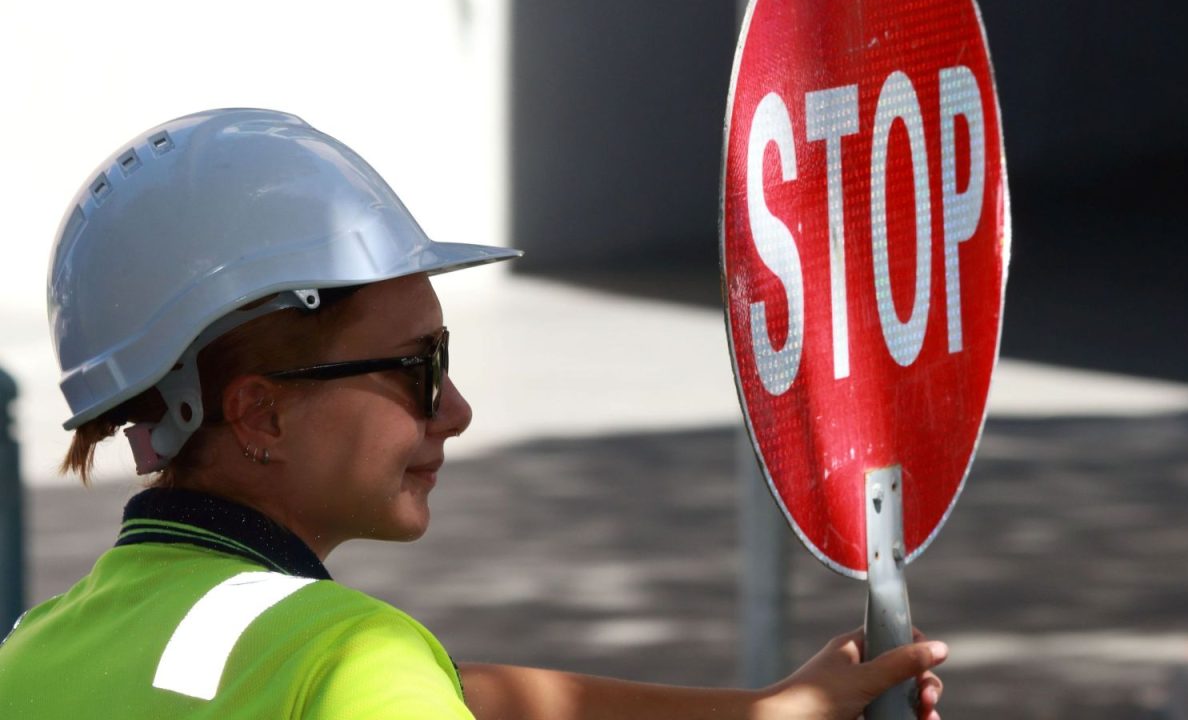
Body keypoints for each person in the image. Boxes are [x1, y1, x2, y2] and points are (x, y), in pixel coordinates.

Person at [0, 109, 947, 719]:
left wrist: (769, 712)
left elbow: (471, 693)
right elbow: (388, 682)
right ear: (258, 414)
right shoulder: (346, 659)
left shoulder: (38, 649)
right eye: (420, 367)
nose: (454, 409)